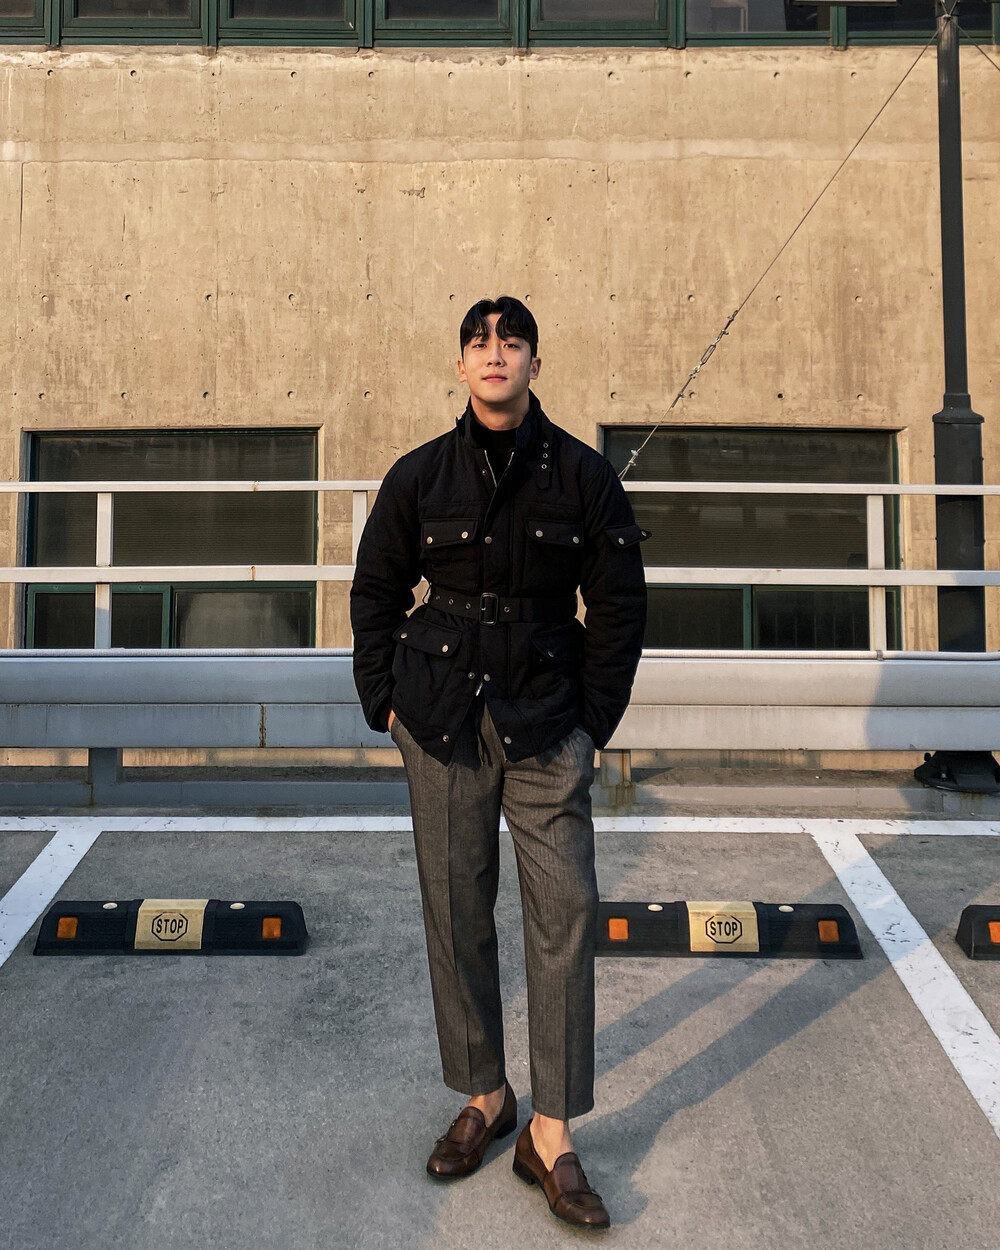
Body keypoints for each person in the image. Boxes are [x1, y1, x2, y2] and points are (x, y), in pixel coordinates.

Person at [350, 295, 648, 1230]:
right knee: (456, 910)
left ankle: (551, 1133)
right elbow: (375, 588)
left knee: (567, 911)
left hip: (546, 721)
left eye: (511, 342)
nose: (495, 355)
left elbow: (620, 605)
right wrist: (383, 699)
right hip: (440, 720)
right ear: (461, 365)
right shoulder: (420, 475)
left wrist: (592, 723)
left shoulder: (585, 476)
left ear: (533, 364)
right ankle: (486, 1094)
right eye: (480, 343)